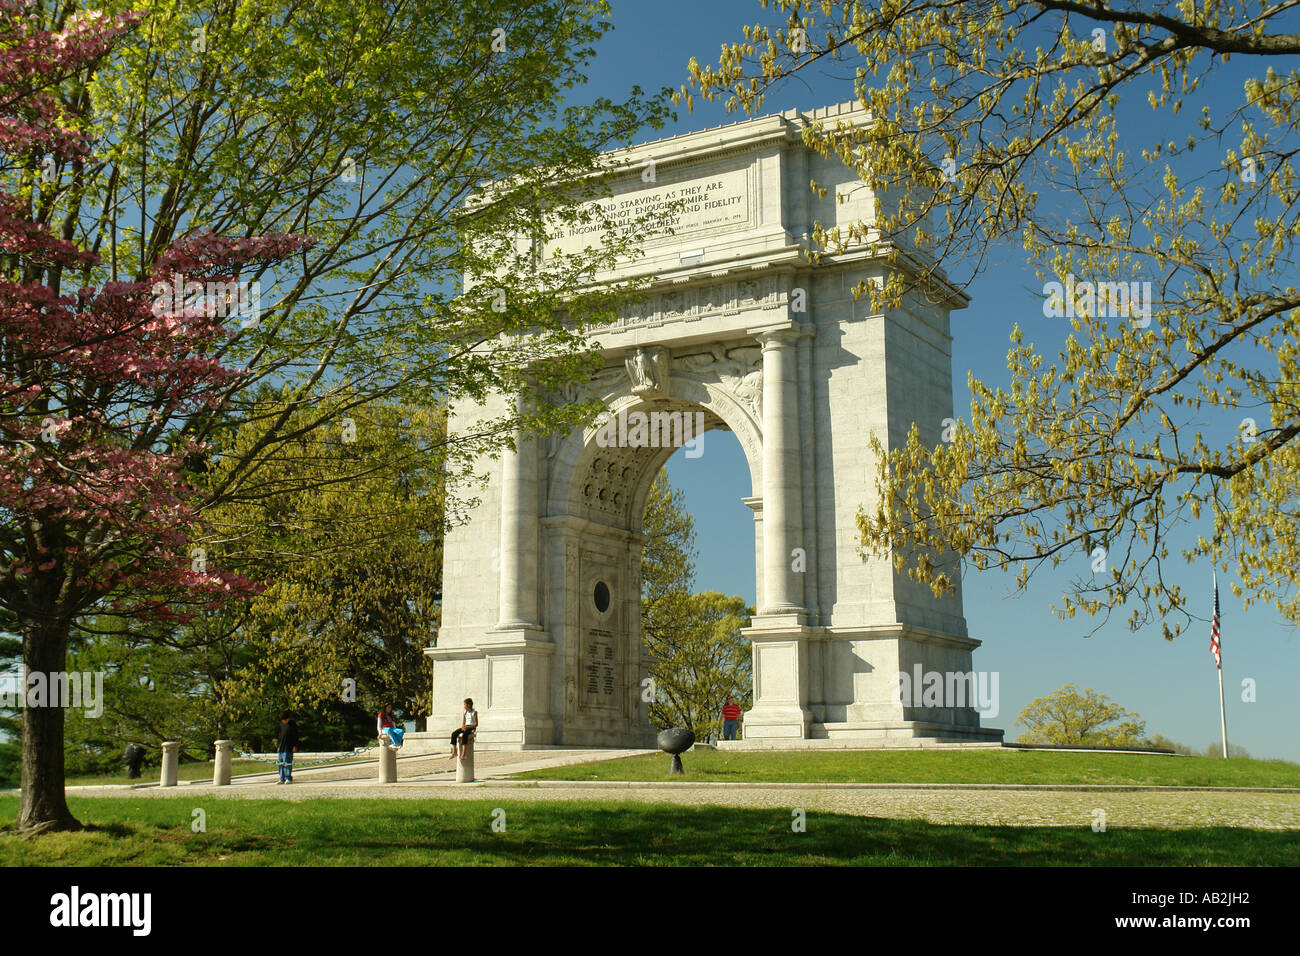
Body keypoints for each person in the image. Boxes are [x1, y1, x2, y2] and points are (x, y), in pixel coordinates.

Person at [276, 711, 299, 784]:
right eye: (283, 720)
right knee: (280, 763)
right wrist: (278, 746)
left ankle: (288, 778)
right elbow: (279, 736)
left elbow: (296, 736)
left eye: (285, 720)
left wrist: (295, 745)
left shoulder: (293, 724)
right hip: (281, 747)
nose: (284, 721)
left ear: (288, 718)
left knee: (287, 763)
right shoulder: (281, 724)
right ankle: (281, 778)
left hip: (289, 747)